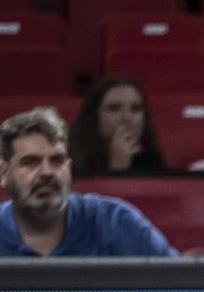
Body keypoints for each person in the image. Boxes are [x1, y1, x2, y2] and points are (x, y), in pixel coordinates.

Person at [0, 107, 174, 257]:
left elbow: (180, 288)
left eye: (57, 161)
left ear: (68, 168)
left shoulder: (115, 222)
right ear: (3, 172)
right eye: (30, 162)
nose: (47, 172)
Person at [69, 77, 165, 174]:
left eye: (135, 109)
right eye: (114, 108)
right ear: (94, 116)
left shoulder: (152, 159)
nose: (127, 117)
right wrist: (118, 167)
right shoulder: (68, 160)